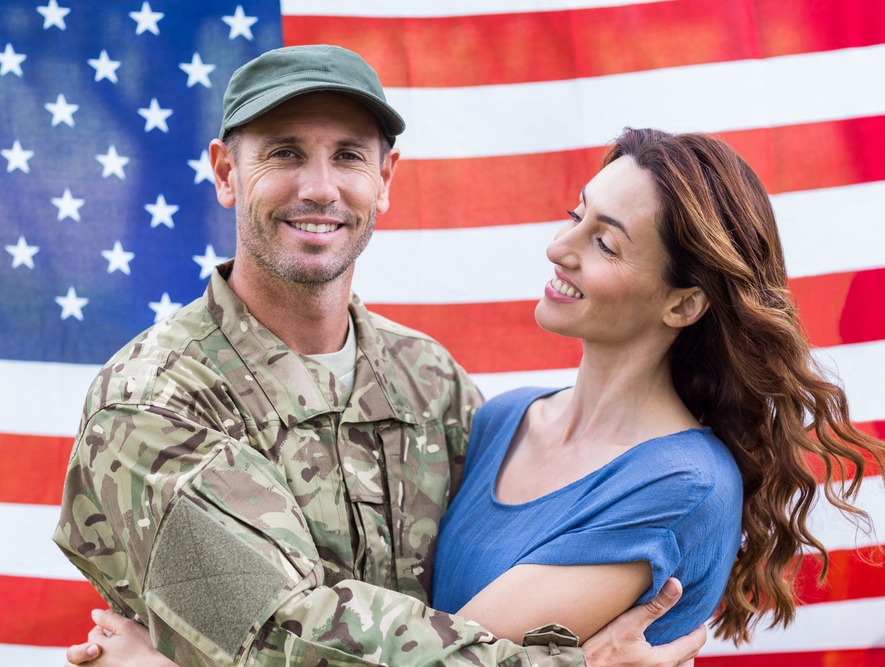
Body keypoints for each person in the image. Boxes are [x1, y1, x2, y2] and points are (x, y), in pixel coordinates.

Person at [53, 45, 705, 667]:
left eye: (347, 157)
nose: (319, 187)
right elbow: (280, 636)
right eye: (284, 154)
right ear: (226, 173)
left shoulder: (432, 385)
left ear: (385, 179)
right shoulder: (152, 402)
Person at [429, 127, 885, 647]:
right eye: (576, 216)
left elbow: (449, 655)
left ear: (683, 304)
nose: (558, 248)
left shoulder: (683, 485)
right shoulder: (503, 419)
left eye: (604, 243)